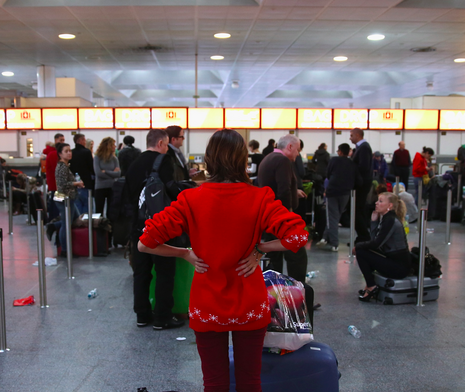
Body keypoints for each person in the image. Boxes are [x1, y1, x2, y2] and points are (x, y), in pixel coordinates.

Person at [137, 129, 308, 392]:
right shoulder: (259, 197)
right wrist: (260, 249)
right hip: (249, 300)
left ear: (209, 159)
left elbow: (145, 243)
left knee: (214, 382)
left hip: (207, 302)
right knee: (250, 381)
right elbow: (297, 237)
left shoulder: (190, 199)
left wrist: (185, 253)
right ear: (242, 159)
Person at [125, 129, 182, 330]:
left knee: (141, 273)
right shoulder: (163, 161)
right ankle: (162, 317)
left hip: (138, 226)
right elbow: (171, 190)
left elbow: (129, 195)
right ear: (159, 143)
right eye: (166, 145)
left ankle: (142, 315)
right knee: (164, 271)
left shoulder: (133, 164)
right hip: (160, 226)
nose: (167, 149)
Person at [257, 134, 308, 282]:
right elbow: (283, 190)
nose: (298, 154)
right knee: (297, 253)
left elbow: (273, 185)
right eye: (297, 150)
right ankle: (298, 294)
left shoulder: (268, 158)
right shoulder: (283, 161)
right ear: (290, 146)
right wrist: (289, 213)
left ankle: (275, 293)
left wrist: (294, 192)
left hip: (268, 216)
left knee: (275, 256)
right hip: (280, 217)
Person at [354, 192, 411, 302]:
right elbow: (374, 241)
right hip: (394, 261)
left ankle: (371, 285)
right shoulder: (387, 218)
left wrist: (358, 246)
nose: (376, 203)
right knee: (363, 250)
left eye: (380, 201)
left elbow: (376, 243)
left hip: (399, 267)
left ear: (389, 205)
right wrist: (374, 222)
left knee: (361, 251)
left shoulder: (390, 220)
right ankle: (370, 285)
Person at [316, 143, 360, 251]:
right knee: (336, 216)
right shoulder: (352, 163)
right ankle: (325, 237)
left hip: (333, 191)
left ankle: (334, 243)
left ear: (339, 151)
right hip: (345, 193)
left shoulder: (334, 160)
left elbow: (328, 174)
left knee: (332, 217)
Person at [54, 143, 84, 255]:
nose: (69, 153)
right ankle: (65, 250)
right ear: (60, 154)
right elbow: (62, 184)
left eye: (70, 151)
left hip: (69, 198)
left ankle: (53, 226)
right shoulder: (62, 167)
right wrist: (76, 183)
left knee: (74, 219)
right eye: (66, 151)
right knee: (66, 224)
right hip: (64, 199)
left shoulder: (66, 166)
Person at [350, 128, 373, 243]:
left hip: (362, 183)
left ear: (358, 135)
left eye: (351, 135)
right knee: (359, 209)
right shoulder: (361, 147)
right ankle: (362, 236)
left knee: (357, 210)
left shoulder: (364, 147)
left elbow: (363, 166)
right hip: (361, 182)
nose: (350, 138)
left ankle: (364, 235)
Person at [70, 134, 95, 216]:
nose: (85, 142)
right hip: (86, 183)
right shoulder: (86, 152)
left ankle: (79, 221)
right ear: (80, 141)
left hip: (74, 183)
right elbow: (91, 167)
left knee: (77, 205)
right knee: (87, 205)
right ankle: (86, 223)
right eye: (84, 140)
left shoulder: (71, 152)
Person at [93, 137, 120, 215]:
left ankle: (109, 225)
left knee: (110, 210)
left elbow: (118, 174)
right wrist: (112, 173)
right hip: (100, 187)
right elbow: (98, 173)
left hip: (111, 187)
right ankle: (99, 226)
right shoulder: (97, 158)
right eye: (113, 145)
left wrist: (106, 172)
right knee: (99, 210)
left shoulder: (115, 159)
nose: (115, 147)